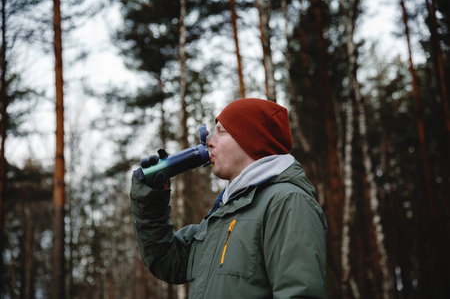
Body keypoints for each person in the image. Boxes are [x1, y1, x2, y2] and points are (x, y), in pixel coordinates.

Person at [129, 98, 328, 298]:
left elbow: (300, 293)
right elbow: (168, 261)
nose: (209, 142)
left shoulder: (287, 202)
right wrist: (151, 199)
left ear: (250, 140)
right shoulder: (226, 212)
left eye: (221, 131)